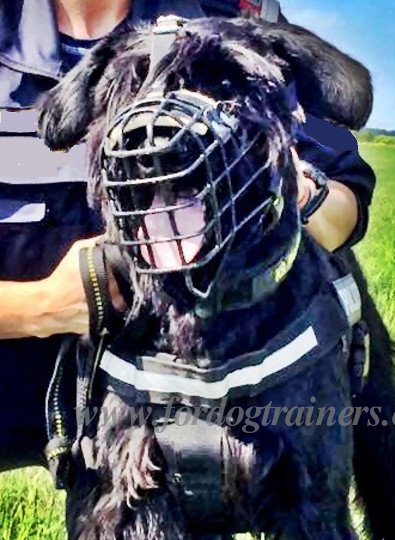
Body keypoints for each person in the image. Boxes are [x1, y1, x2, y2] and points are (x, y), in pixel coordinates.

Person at [0, 0, 375, 470]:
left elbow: (345, 207)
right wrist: (38, 307)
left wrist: (290, 186)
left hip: (177, 392)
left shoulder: (230, 24)